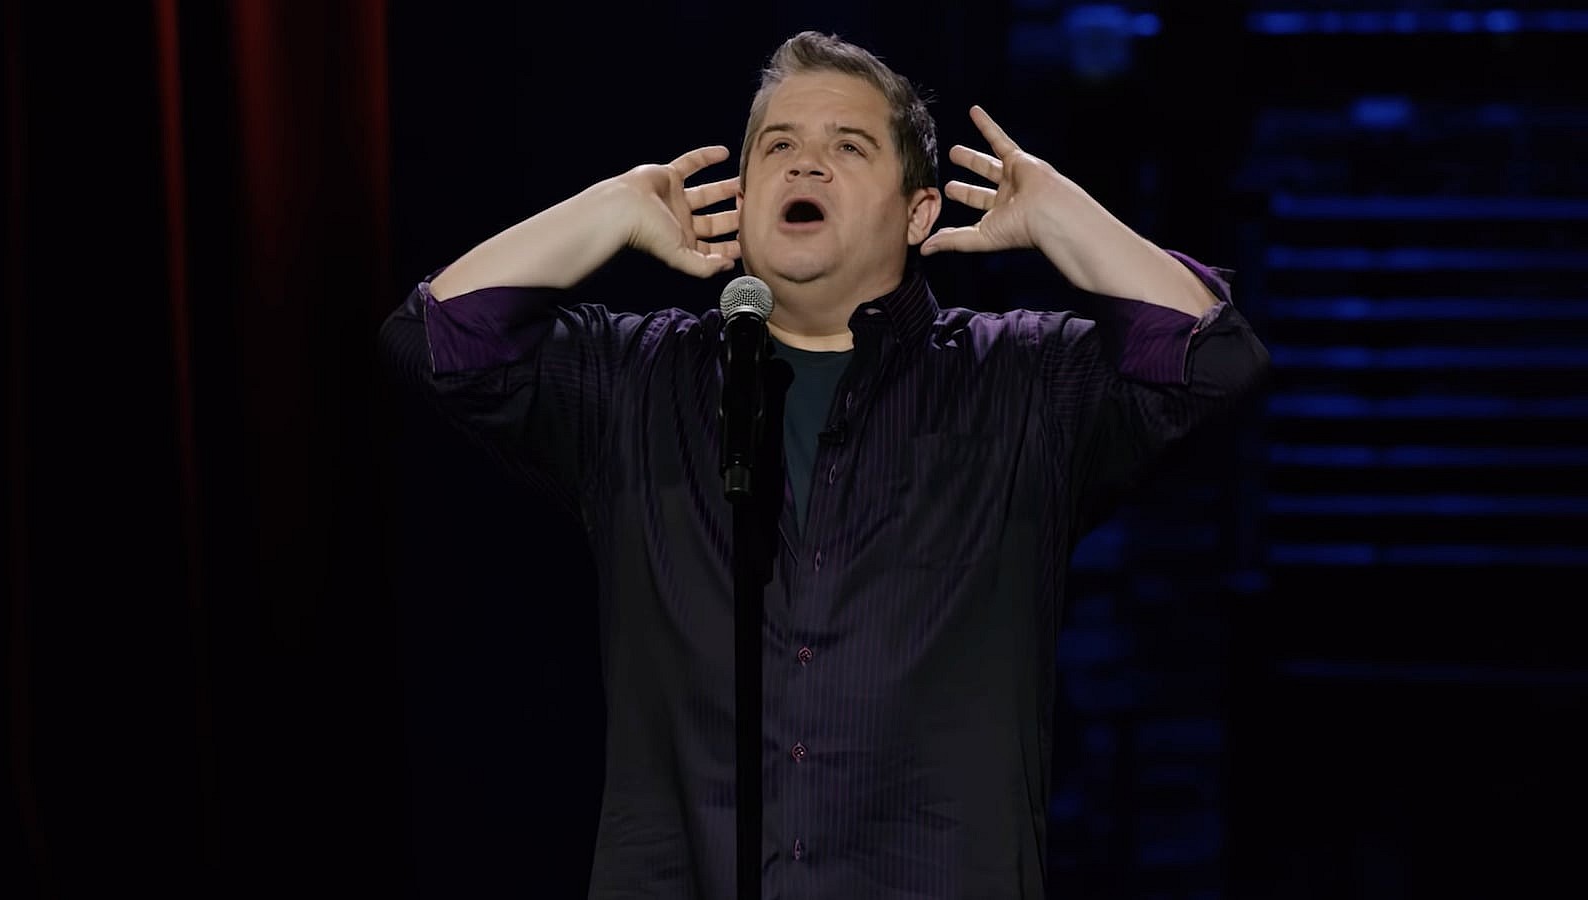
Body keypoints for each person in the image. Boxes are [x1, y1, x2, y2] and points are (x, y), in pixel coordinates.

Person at [380, 29, 1269, 900]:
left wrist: (1061, 212)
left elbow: (1213, 359)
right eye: (778, 147)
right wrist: (609, 208)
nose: (806, 165)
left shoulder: (1021, 381)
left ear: (918, 211)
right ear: (742, 195)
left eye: (848, 146)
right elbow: (439, 342)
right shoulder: (636, 381)